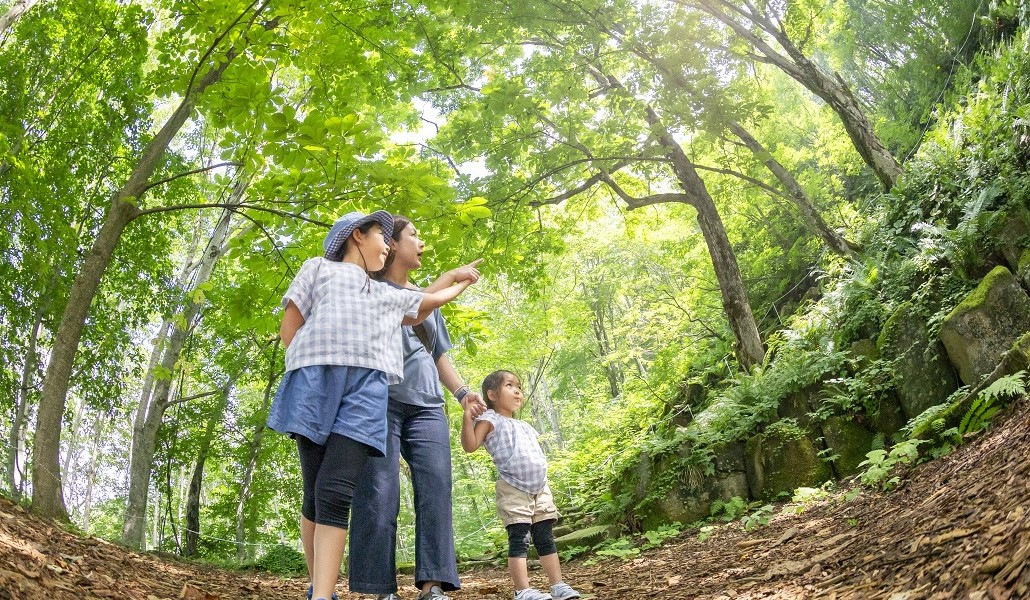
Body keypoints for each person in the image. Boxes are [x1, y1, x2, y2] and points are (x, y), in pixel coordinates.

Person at [265, 210, 476, 600]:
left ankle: (334, 594)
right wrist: (306, 367)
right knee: (322, 492)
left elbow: (426, 302)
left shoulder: (383, 294)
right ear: (358, 236)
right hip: (320, 385)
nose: (389, 243)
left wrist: (458, 280)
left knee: (339, 491)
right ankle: (332, 585)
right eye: (383, 234)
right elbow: (290, 326)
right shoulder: (319, 270)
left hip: (373, 393)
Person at [349, 215, 488, 600]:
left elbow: (438, 354)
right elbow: (406, 310)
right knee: (379, 491)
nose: (422, 241)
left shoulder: (430, 303)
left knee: (436, 489)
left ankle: (433, 585)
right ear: (391, 244)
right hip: (381, 401)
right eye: (414, 235)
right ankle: (380, 588)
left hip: (427, 406)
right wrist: (446, 279)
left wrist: (463, 394)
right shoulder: (368, 287)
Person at [460, 370, 582, 600]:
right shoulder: (489, 420)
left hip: (540, 487)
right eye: (509, 385)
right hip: (513, 487)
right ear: (492, 394)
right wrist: (467, 417)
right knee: (520, 537)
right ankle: (522, 590)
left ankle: (558, 585)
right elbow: (470, 445)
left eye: (519, 387)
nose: (517, 390)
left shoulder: (525, 425)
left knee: (545, 536)